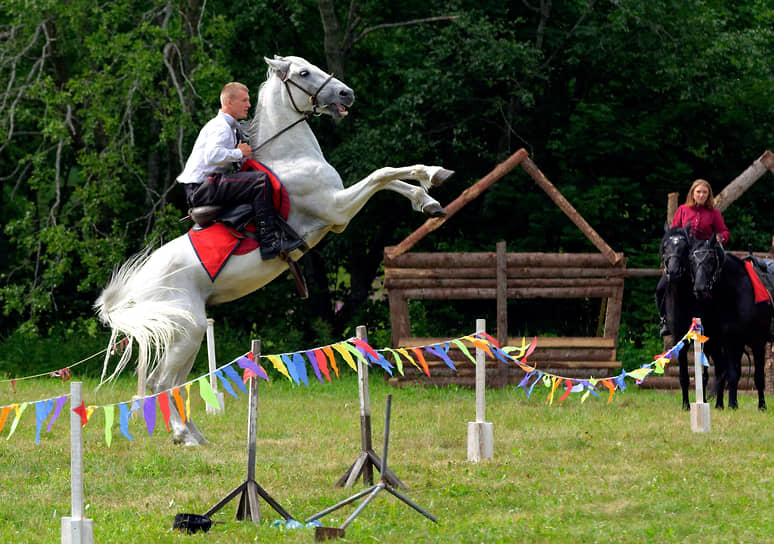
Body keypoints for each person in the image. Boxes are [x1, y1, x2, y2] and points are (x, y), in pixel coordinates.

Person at [177, 82, 303, 260]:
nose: (249, 105)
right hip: (201, 189)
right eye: (244, 100)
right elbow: (212, 156)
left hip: (208, 185)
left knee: (255, 179)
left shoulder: (231, 127)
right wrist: (239, 153)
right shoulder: (220, 126)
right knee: (259, 181)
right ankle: (269, 242)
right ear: (229, 102)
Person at [657, 179, 729, 335]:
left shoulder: (714, 213)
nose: (701, 195)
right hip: (684, 256)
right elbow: (674, 231)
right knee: (661, 286)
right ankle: (664, 320)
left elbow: (724, 232)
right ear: (692, 193)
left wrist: (719, 237)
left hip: (704, 257)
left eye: (705, 192)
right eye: (698, 192)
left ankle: (723, 318)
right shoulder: (683, 210)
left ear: (709, 194)